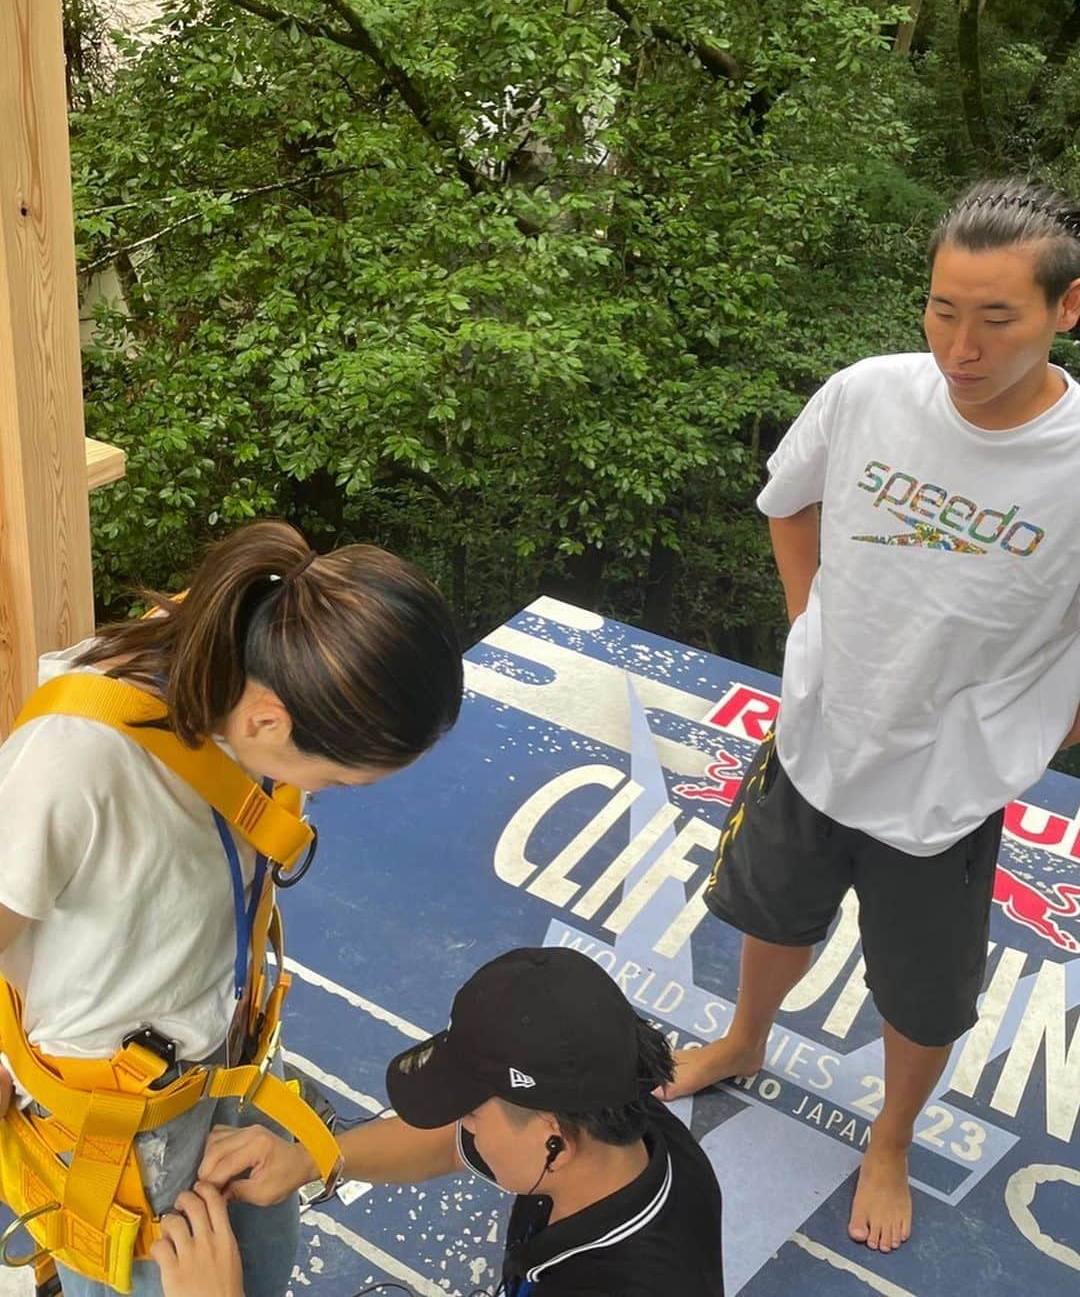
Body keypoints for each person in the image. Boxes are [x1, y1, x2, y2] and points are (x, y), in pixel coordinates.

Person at [661, 178, 1080, 1255]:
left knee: (922, 998)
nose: (963, 347)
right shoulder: (866, 394)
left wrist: (1044, 724)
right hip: (814, 737)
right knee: (771, 916)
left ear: (1065, 310)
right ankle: (744, 1038)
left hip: (944, 790)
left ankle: (889, 1138)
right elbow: (787, 500)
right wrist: (807, 620)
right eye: (944, 310)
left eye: (998, 317)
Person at [0, 520, 463, 1297]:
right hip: (122, 1117)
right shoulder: (71, 766)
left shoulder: (261, 637)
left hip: (232, 1055)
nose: (331, 796)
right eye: (344, 780)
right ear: (266, 723)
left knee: (260, 1259)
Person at [155, 947, 726, 1297]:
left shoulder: (626, 1282)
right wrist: (311, 1159)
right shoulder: (620, 1120)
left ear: (556, 1138)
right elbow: (450, 1146)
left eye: (472, 1113)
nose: (463, 1126)